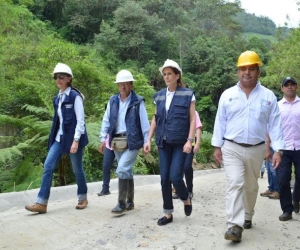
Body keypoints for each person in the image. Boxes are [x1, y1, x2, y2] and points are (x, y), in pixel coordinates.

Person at [211, 51, 285, 242]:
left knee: (251, 187)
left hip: (257, 148)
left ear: (258, 72)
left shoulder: (268, 97)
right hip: (232, 147)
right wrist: (217, 146)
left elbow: (275, 125)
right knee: (235, 183)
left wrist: (278, 150)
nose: (247, 73)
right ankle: (234, 226)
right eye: (243, 69)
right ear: (238, 72)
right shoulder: (227, 95)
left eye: (251, 69)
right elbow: (220, 121)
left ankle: (248, 215)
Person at [25, 63, 89, 213]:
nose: (58, 79)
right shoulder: (57, 98)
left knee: (77, 169)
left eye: (61, 77)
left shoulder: (75, 97)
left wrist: (76, 140)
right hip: (59, 139)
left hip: (73, 138)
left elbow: (81, 121)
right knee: (48, 167)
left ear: (69, 78)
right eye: (56, 77)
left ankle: (83, 197)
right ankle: (41, 203)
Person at [143, 59, 195, 226]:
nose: (166, 77)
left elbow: (193, 119)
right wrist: (149, 139)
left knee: (175, 177)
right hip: (163, 142)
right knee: (165, 178)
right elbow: (156, 118)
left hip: (180, 142)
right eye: (164, 74)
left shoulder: (187, 94)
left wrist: (190, 140)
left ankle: (186, 197)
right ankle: (168, 213)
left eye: (169, 74)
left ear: (177, 75)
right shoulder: (159, 95)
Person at [98, 69, 149, 214]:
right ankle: (130, 202)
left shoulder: (138, 102)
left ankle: (121, 203)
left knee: (121, 169)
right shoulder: (113, 101)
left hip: (132, 140)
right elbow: (106, 120)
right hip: (116, 140)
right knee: (126, 171)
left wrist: (147, 141)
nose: (122, 87)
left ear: (131, 85)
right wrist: (103, 139)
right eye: (120, 84)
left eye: (125, 83)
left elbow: (144, 123)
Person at [275, 76, 300, 220]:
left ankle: (296, 197)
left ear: (296, 87)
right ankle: (287, 210)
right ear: (282, 88)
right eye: (287, 85)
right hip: (282, 148)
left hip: (299, 147)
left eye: (292, 84)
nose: (289, 87)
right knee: (283, 180)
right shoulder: (277, 107)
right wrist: (269, 149)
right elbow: (271, 128)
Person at [173, 110, 202, 199]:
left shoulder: (194, 112)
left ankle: (189, 190)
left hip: (190, 144)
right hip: (177, 143)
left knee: (186, 166)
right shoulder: (176, 109)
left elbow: (198, 128)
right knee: (177, 167)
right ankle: (179, 190)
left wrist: (197, 143)